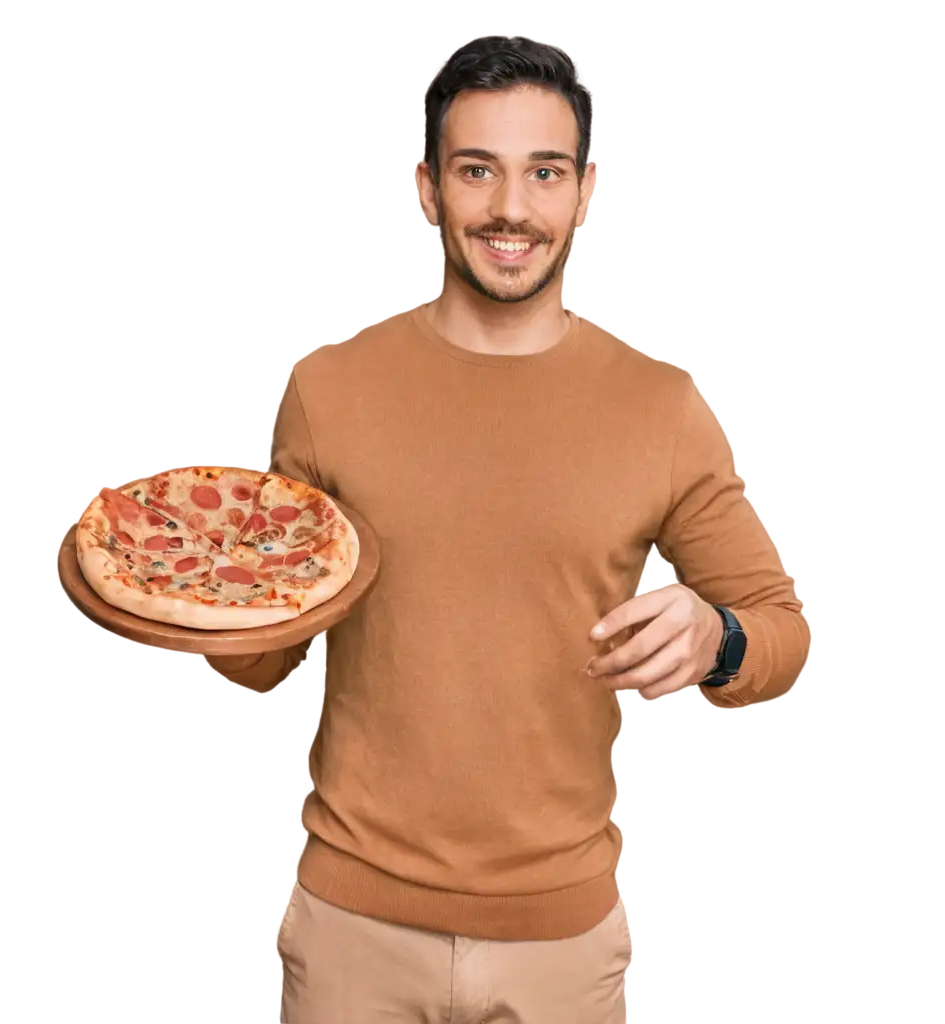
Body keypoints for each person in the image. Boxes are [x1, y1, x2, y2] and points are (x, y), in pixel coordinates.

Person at [212, 32, 809, 1023]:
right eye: (476, 170)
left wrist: (717, 639)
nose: (509, 209)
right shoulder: (325, 392)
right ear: (425, 185)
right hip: (350, 927)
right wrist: (205, 614)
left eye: (544, 173)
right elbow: (281, 656)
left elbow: (779, 627)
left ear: (586, 191)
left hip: (561, 945)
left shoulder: (658, 408)